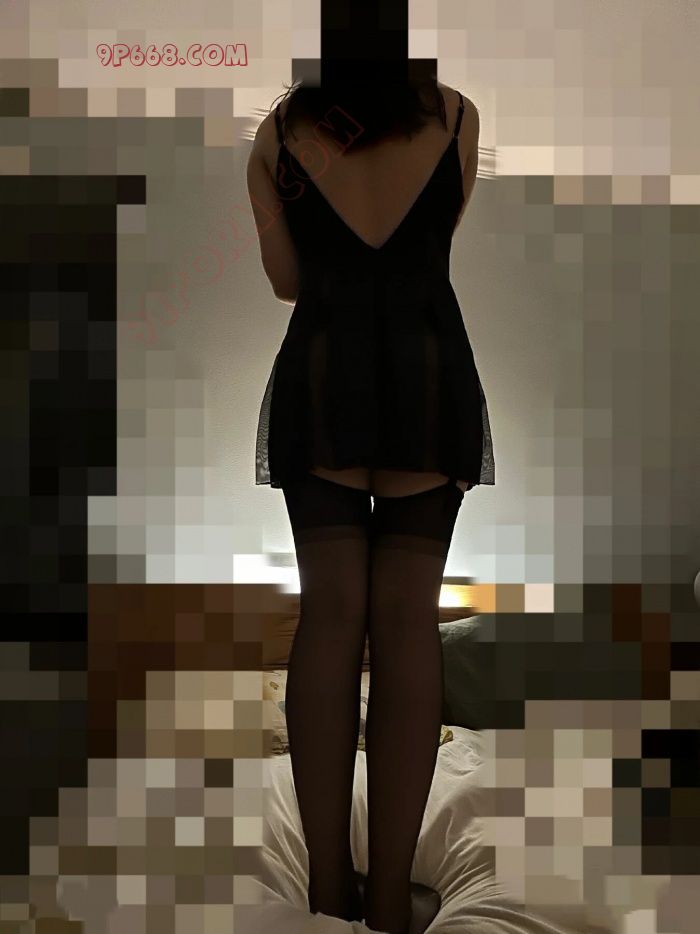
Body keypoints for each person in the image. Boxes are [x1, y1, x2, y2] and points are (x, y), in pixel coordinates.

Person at [247, 73, 494, 934]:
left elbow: (288, 280)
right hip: (427, 373)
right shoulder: (456, 118)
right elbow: (431, 248)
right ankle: (388, 897)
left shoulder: (281, 132)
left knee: (329, 614)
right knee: (407, 620)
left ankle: (328, 887)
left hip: (323, 373)